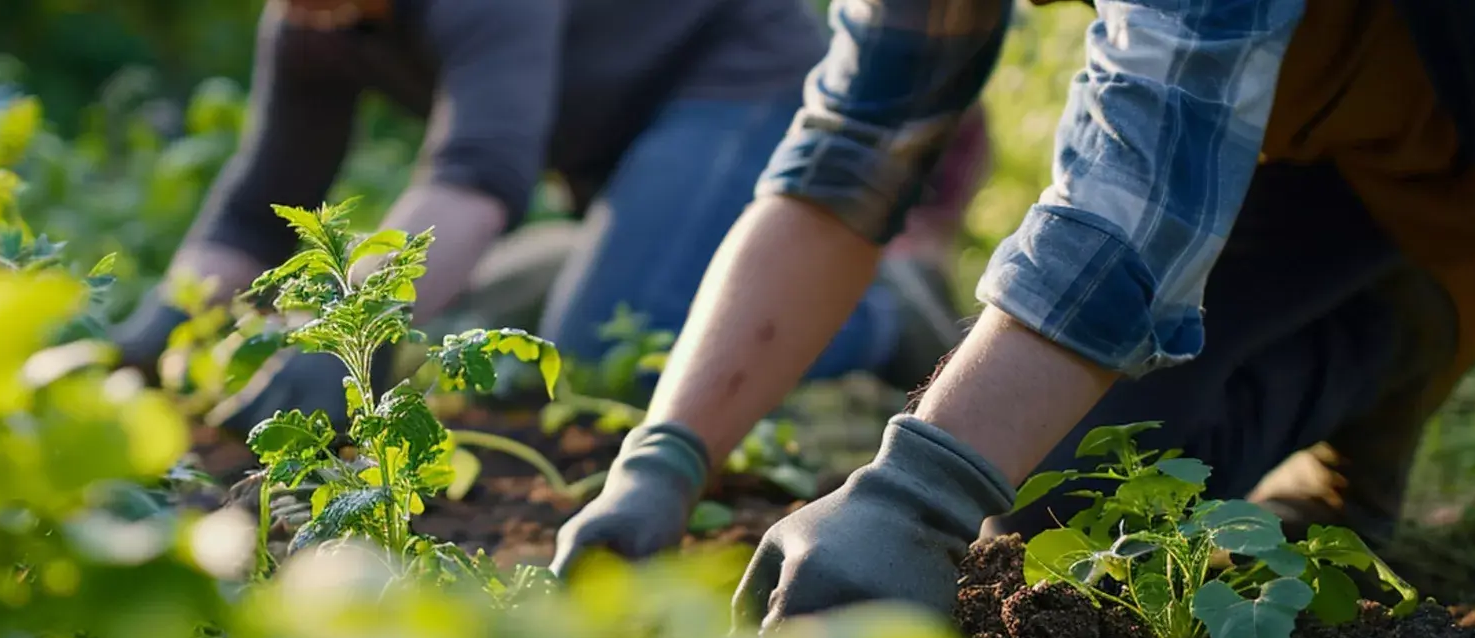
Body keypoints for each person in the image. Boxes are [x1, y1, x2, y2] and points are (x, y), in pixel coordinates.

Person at [548, 0, 1475, 637]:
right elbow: (851, 148)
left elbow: (1137, 177)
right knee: (1050, 494)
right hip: (1358, 140)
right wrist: (663, 456)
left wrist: (916, 490)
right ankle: (1405, 325)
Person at [108, 0, 996, 437]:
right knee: (555, 318)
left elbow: (474, 178)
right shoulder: (313, 20)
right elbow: (257, 206)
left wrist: (336, 338)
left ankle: (884, 303)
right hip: (624, 139)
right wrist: (145, 336)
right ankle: (624, 254)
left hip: (743, 83)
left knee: (621, 347)